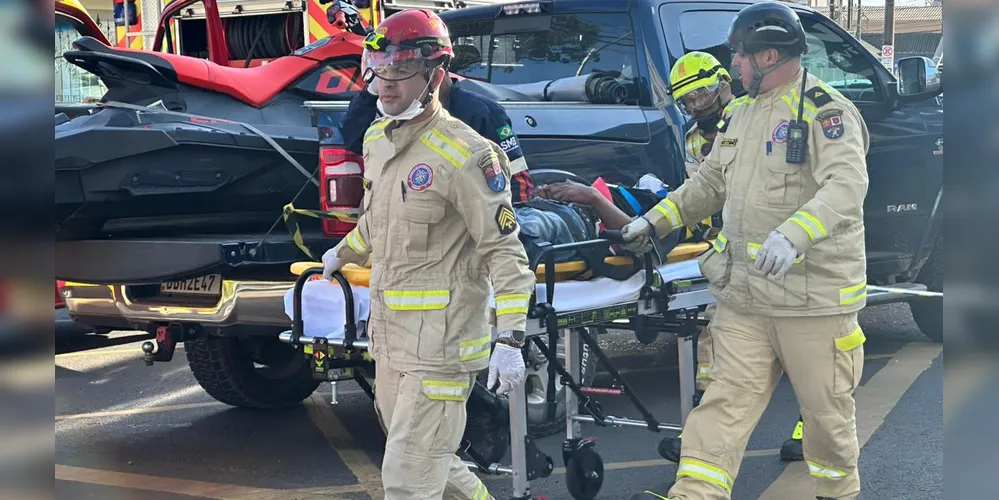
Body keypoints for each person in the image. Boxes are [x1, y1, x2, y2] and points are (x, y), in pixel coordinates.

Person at [623, 2, 870, 499]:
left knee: (827, 423)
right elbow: (710, 182)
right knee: (723, 404)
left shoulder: (827, 112)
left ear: (769, 55)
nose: (733, 64)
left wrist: (793, 234)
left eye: (739, 56)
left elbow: (846, 185)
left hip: (812, 303)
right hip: (745, 298)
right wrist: (653, 221)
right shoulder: (741, 113)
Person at [321, 9, 536, 500]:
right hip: (391, 343)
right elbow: (379, 223)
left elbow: (505, 252)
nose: (383, 83)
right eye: (376, 68)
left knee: (407, 480)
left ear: (434, 73)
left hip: (441, 350)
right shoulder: (377, 140)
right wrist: (343, 251)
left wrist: (511, 337)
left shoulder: (468, 155)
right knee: (432, 465)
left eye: (399, 71)